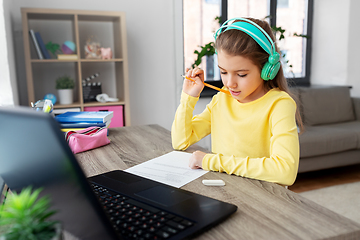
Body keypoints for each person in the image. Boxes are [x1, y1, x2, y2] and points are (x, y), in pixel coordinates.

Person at [171, 17, 302, 186]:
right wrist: (188, 98)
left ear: (267, 70)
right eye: (223, 72)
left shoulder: (279, 105)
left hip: (263, 199)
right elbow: (181, 141)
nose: (229, 83)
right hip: (226, 191)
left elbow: (285, 171)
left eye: (241, 74)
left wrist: (211, 161)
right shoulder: (223, 98)